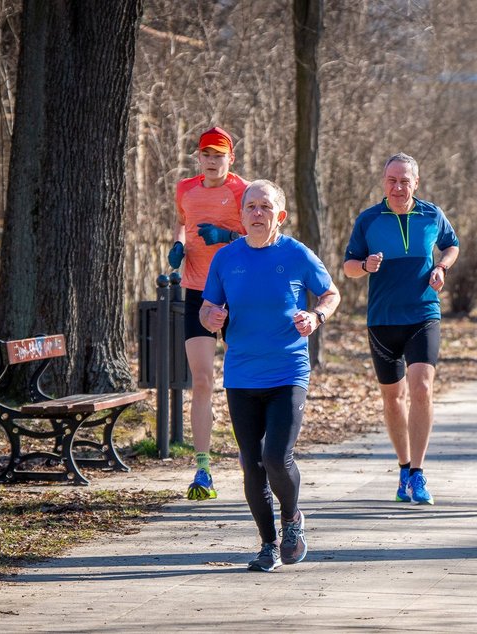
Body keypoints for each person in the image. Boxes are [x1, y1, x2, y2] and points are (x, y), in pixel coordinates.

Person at [199, 179, 341, 572]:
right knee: (252, 464)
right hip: (242, 374)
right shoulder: (226, 258)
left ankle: (292, 518)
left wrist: (316, 316)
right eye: (250, 207)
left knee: (276, 456)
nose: (257, 214)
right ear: (241, 215)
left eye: (265, 207)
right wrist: (210, 317)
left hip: (287, 370)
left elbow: (331, 293)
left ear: (280, 216)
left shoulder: (296, 254)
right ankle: (268, 544)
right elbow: (208, 308)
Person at [343, 153, 460, 505]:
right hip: (382, 320)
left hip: (424, 313)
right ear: (384, 182)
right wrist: (365, 265)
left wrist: (441, 267)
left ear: (416, 183)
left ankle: (419, 474)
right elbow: (348, 267)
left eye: (404, 181)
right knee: (393, 399)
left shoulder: (431, 215)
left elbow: (452, 245)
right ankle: (404, 467)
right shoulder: (368, 220)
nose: (398, 187)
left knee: (422, 386)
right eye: (392, 180)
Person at [170, 126, 249, 501]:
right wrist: (178, 245)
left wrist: (227, 236)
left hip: (238, 291)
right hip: (198, 291)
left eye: (220, 155)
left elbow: (260, 233)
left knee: (242, 379)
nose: (213, 160)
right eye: (206, 154)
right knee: (201, 381)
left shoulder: (243, 191)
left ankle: (253, 457)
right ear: (198, 158)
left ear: (230, 158)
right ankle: (202, 470)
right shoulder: (185, 188)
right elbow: (181, 222)